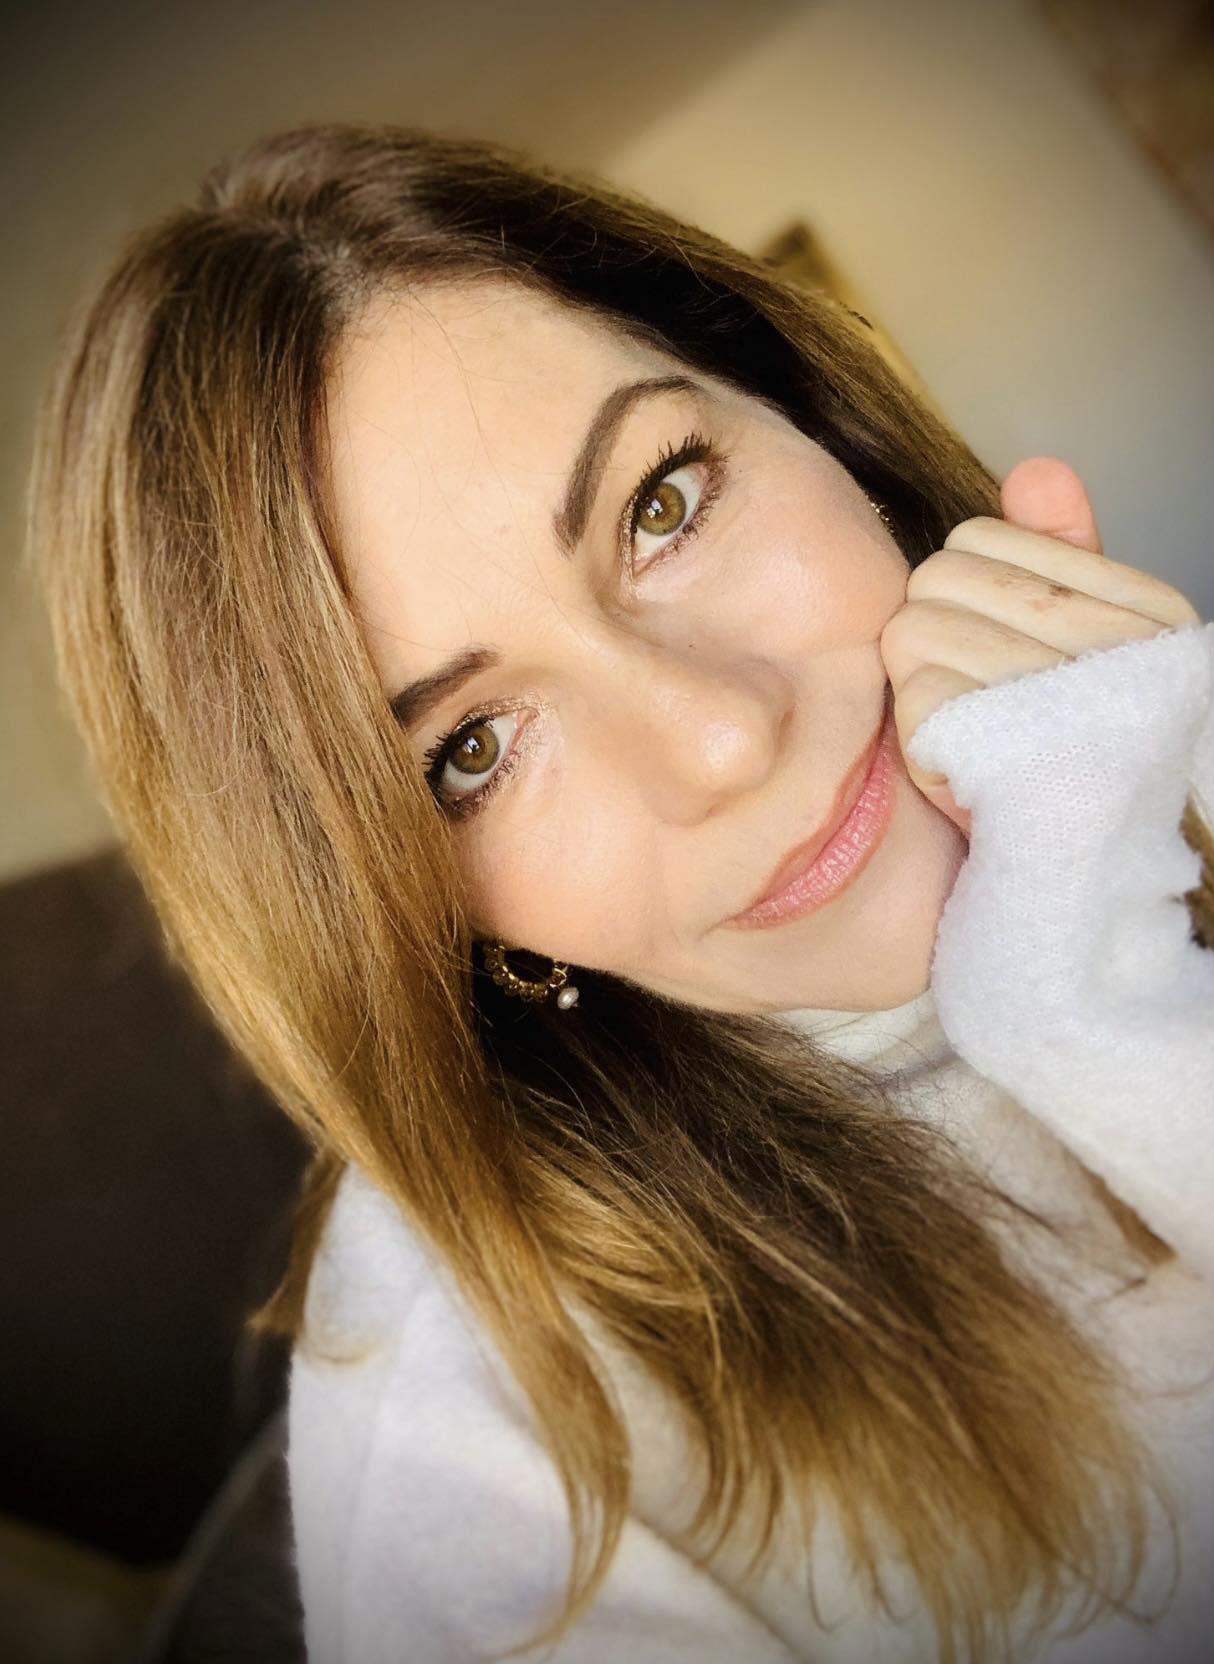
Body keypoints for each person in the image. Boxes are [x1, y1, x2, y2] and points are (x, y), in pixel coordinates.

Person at [26, 122, 1214, 1663]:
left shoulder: (1147, 730)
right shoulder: (491, 1455)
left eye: (661, 506)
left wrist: (1116, 962)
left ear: (812, 417)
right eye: (468, 750)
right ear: (414, 911)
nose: (719, 740)